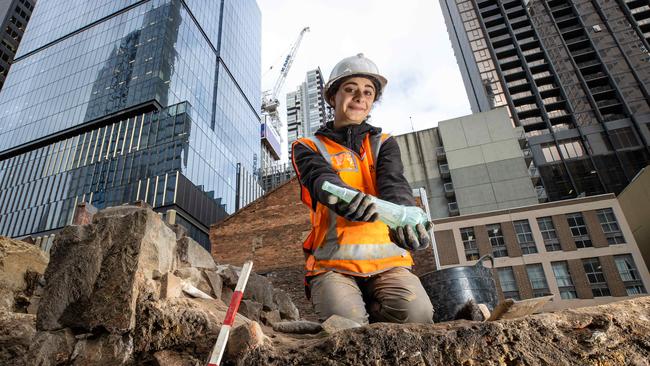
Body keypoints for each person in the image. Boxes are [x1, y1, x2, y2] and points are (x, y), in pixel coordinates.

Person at [291, 53, 434, 325]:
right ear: (333, 97)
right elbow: (322, 181)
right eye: (350, 89)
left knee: (418, 315)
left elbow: (394, 184)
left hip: (389, 263)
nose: (360, 97)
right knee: (347, 326)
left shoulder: (384, 144)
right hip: (334, 265)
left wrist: (407, 221)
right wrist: (346, 199)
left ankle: (379, 312)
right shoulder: (308, 147)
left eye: (368, 92)